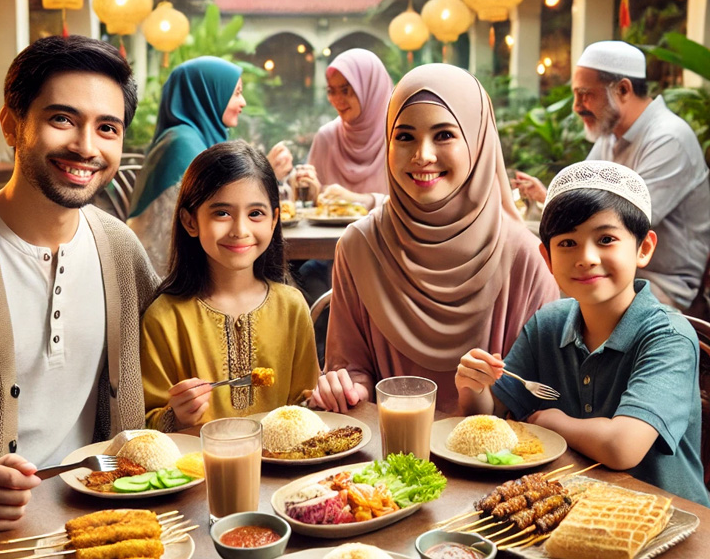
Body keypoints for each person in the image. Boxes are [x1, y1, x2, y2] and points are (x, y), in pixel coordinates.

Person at [0, 35, 160, 558]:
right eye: (63, 119)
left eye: (107, 128)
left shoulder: (120, 249)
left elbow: (163, 380)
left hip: (105, 521)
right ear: (11, 124)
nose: (87, 147)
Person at [311, 64, 560, 415]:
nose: (422, 155)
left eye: (444, 135)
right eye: (405, 136)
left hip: (500, 464)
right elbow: (352, 370)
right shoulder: (360, 246)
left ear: (477, 141)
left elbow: (538, 397)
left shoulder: (523, 257)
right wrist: (345, 388)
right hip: (387, 458)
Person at [458, 161, 710, 507]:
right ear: (546, 257)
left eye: (606, 239)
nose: (586, 257)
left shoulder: (668, 337)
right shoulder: (548, 324)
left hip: (671, 521)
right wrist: (475, 387)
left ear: (644, 248)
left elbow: (622, 447)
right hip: (577, 512)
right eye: (568, 243)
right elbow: (491, 418)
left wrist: (552, 421)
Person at [513, 40, 710, 310]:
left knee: (538, 295)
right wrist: (547, 198)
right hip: (609, 265)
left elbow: (626, 222)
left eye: (585, 94)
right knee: (518, 250)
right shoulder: (611, 134)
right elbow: (583, 202)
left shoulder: (669, 138)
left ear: (623, 89)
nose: (576, 106)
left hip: (659, 283)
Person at [140, 141, 319, 430]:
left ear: (274, 220)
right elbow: (145, 423)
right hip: (199, 470)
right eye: (221, 213)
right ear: (190, 221)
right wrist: (176, 415)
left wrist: (324, 399)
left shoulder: (292, 307)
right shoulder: (163, 318)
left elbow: (305, 402)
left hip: (285, 471)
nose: (240, 230)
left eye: (256, 214)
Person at [127, 57, 244, 276]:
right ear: (208, 94)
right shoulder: (183, 145)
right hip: (170, 276)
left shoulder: (191, 137)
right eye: (236, 93)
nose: (243, 102)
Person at [297, 48, 393, 209]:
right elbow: (315, 205)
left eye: (345, 90)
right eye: (331, 91)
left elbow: (414, 207)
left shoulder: (399, 137)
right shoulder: (326, 137)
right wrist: (309, 189)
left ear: (371, 89)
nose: (337, 99)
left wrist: (359, 200)